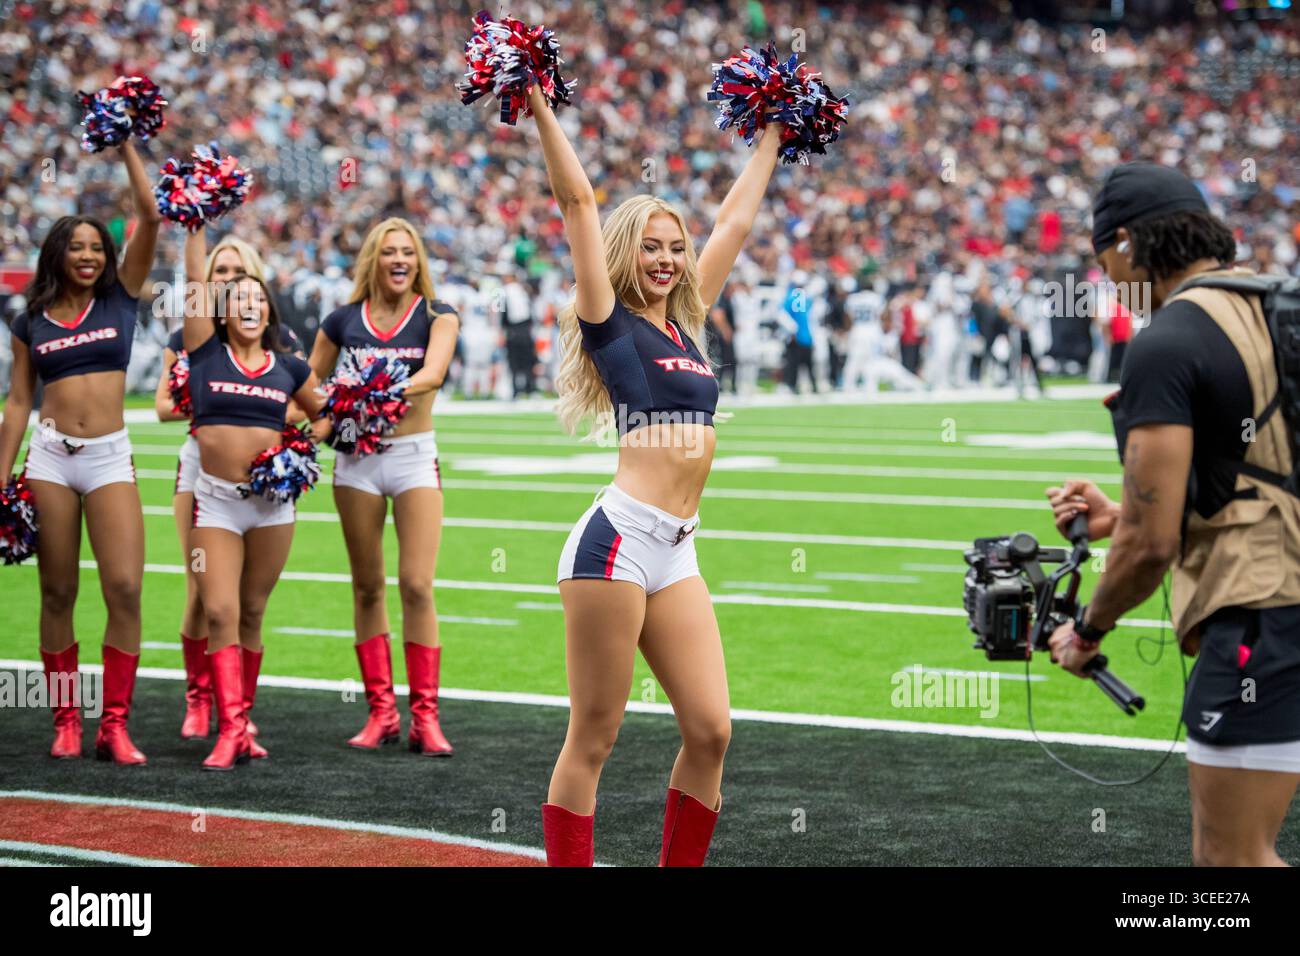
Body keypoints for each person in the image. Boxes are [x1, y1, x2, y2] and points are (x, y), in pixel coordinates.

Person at [520, 83, 781, 866]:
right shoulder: (613, 324)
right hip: (617, 545)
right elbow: (576, 202)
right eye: (651, 246)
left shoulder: (687, 323)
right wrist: (536, 100)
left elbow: (734, 220)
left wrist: (775, 131)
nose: (666, 259)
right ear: (625, 250)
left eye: (675, 247)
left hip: (679, 548)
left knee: (711, 729)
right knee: (595, 736)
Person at [1046, 161, 1300, 866]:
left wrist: (1088, 629)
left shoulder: (1167, 339)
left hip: (1262, 613)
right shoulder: (1279, 306)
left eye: (1104, 264)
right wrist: (1120, 511)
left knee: (1231, 863)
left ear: (1126, 242)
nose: (1108, 282)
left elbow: (1149, 546)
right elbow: (1259, 461)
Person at [0, 141, 160, 763]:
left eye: (97, 247)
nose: (89, 256)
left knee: (124, 587)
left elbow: (149, 214)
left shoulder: (122, 297)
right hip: (49, 459)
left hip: (108, 456)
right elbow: (18, 401)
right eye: (78, 246)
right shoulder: (31, 317)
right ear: (58, 254)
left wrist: (124, 145)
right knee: (57, 591)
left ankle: (113, 724)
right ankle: (67, 717)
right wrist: (2, 473)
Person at [309, 218, 460, 755]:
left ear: (419, 261)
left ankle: (426, 717)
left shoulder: (437, 315)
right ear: (372, 259)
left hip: (414, 457)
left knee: (417, 583)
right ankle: (381, 714)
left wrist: (367, 385)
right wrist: (302, 432)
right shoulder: (341, 321)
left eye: (409, 253)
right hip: (355, 461)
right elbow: (310, 391)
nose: (401, 261)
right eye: (390, 252)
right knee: (368, 586)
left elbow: (434, 374)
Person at [181, 224, 328, 770]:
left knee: (251, 610)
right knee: (218, 610)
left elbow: (327, 417)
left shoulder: (289, 366)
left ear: (268, 312)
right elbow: (195, 282)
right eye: (237, 300)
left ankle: (241, 720)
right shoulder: (203, 352)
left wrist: (295, 448)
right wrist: (193, 228)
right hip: (215, 501)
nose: (247, 306)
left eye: (256, 300)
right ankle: (231, 729)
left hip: (271, 506)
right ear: (221, 311)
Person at [154, 236, 305, 740]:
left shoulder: (281, 345)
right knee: (204, 592)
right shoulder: (190, 339)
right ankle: (199, 699)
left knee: (249, 602)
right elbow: (162, 407)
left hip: (263, 481)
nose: (227, 279)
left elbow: (306, 406)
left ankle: (235, 711)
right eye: (220, 271)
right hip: (199, 470)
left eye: (238, 271)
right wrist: (219, 400)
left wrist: (272, 427)